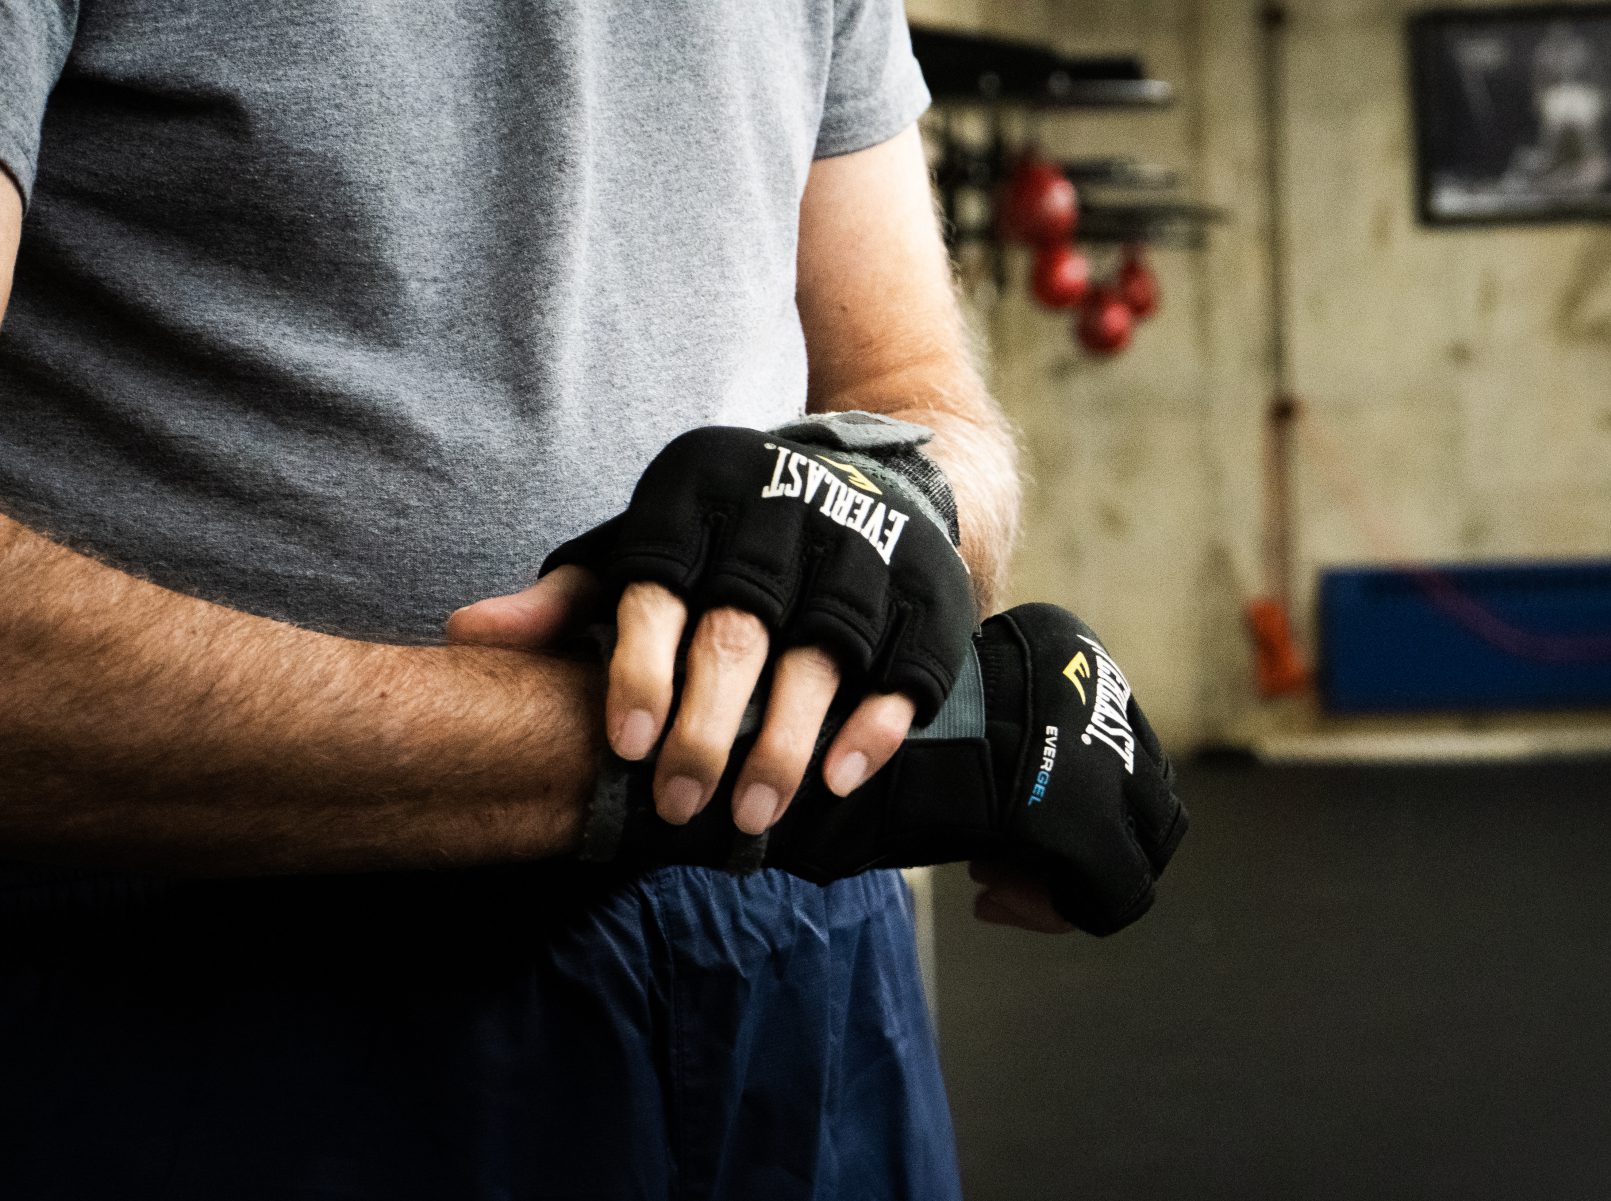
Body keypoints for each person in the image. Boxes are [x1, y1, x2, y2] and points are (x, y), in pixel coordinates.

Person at [0, 1, 1063, 1196]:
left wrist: (892, 513)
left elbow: (917, 399)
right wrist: (662, 770)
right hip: (216, 981)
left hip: (785, 952)